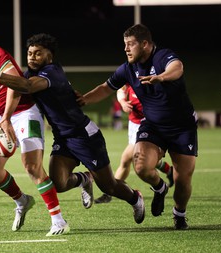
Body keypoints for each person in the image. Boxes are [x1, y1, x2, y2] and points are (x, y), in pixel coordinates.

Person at [0, 33, 145, 227]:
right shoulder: (30, 73)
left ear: (49, 56)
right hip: (63, 137)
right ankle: (84, 178)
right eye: (29, 53)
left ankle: (135, 198)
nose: (32, 57)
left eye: (38, 54)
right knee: (59, 183)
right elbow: (14, 87)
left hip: (84, 135)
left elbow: (25, 86)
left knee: (109, 185)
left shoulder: (51, 72)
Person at [0, 19, 82, 236]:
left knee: (31, 166)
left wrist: (7, 119)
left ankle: (58, 220)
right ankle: (22, 200)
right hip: (3, 117)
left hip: (25, 112)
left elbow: (16, 85)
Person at [77, 24, 197, 230]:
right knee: (140, 166)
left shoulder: (162, 56)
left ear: (145, 44)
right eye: (124, 45)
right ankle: (159, 188)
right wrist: (84, 100)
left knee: (183, 178)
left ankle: (179, 214)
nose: (126, 49)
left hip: (181, 127)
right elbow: (106, 88)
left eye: (130, 44)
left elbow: (177, 68)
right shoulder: (128, 68)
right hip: (153, 125)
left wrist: (161, 77)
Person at [94, 84, 174, 204]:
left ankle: (109, 192)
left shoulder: (153, 77)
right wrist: (123, 102)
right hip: (133, 124)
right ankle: (169, 171)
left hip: (148, 125)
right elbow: (121, 89)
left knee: (126, 158)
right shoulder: (130, 74)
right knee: (147, 159)